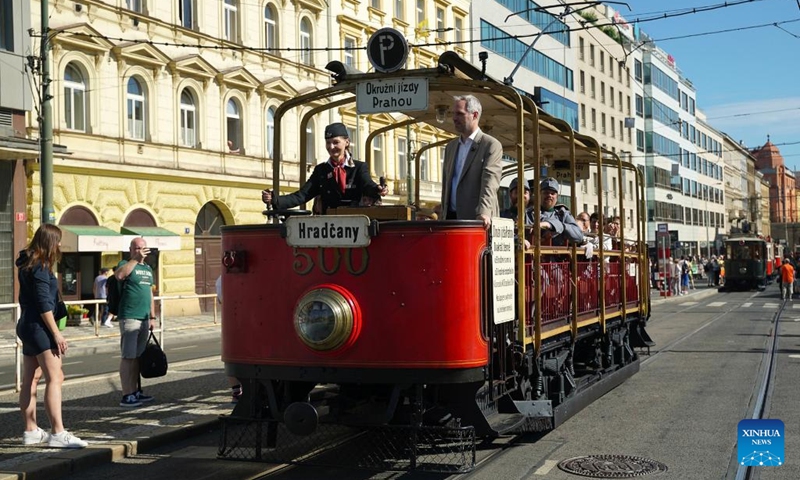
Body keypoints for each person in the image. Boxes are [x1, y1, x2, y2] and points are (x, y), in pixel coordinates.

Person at [15, 224, 88, 448]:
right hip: (40, 327)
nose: (58, 245)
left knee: (31, 378)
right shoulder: (40, 267)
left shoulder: (26, 263)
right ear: (48, 242)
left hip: (26, 324)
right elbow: (44, 303)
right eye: (57, 241)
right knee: (56, 378)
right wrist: (56, 334)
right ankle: (58, 433)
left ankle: (31, 430)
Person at [261, 122, 388, 214]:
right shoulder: (321, 170)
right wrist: (274, 199)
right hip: (329, 228)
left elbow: (368, 185)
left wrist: (378, 189)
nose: (331, 147)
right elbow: (302, 196)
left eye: (335, 142)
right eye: (328, 142)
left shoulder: (359, 167)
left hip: (355, 226)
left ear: (347, 142)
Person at [440, 95, 503, 229]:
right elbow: (447, 184)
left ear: (474, 115)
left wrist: (484, 212)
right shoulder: (450, 147)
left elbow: (490, 182)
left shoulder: (490, 145)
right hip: (451, 219)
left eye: (460, 114)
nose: (454, 118)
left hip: (476, 221)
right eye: (453, 113)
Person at [116, 237, 158, 408]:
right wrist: (135, 259)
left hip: (144, 318)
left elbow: (149, 293)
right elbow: (119, 275)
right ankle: (127, 395)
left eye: (143, 248)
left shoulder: (148, 269)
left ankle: (135, 391)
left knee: (137, 357)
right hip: (130, 316)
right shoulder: (125, 263)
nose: (141, 250)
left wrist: (153, 316)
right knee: (128, 357)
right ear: (131, 249)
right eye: (137, 248)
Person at [216, 275, 242, 403]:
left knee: (232, 357)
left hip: (230, 322)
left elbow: (220, 300)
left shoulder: (221, 279)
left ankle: (236, 392)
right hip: (245, 320)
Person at [537, 177, 584, 246]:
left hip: (557, 255)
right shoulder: (529, 213)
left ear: (557, 197)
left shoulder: (563, 214)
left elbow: (578, 236)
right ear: (540, 194)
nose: (549, 195)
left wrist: (556, 226)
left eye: (552, 193)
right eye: (546, 193)